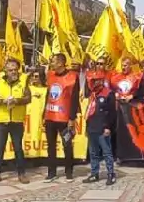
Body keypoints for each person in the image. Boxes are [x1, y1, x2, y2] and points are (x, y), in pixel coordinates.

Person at [0, 58, 31, 185]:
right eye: (10, 70)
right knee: (0, 148)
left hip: (16, 121)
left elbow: (28, 98)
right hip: (2, 121)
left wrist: (16, 101)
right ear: (5, 71)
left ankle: (21, 174)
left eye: (15, 70)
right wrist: (3, 101)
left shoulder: (23, 82)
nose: (13, 72)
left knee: (18, 148)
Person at [43, 54, 80, 182]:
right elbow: (48, 95)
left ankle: (69, 172)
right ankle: (51, 172)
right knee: (51, 146)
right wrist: (44, 115)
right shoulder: (50, 75)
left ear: (60, 63)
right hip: (50, 117)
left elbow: (75, 99)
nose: (51, 63)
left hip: (64, 119)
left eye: (53, 61)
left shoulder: (73, 77)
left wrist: (72, 118)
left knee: (67, 145)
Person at [83, 70, 117, 185]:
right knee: (93, 152)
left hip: (103, 128)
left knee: (107, 152)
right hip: (92, 126)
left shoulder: (108, 93)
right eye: (91, 81)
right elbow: (88, 111)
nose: (92, 83)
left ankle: (111, 174)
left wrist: (108, 127)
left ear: (100, 81)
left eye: (94, 81)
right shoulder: (92, 94)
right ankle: (94, 173)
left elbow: (112, 113)